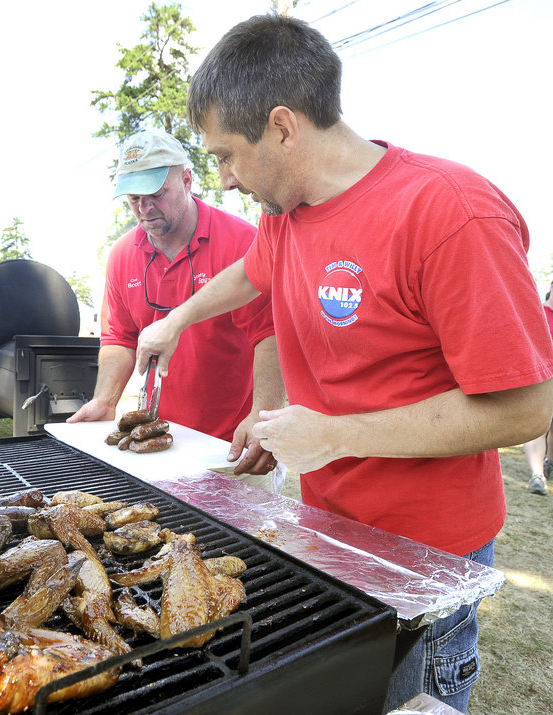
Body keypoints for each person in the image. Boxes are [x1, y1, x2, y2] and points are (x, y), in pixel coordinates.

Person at [135, 14, 553, 714]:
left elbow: (526, 407)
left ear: (283, 128)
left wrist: (336, 434)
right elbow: (251, 275)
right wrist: (176, 320)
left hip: (427, 560)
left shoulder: (449, 212)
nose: (226, 181)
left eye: (227, 155)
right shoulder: (286, 210)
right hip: (329, 531)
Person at [67, 128, 285, 477]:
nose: (145, 209)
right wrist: (105, 401)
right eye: (134, 199)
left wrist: (261, 413)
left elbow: (270, 334)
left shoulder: (241, 241)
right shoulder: (123, 255)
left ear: (187, 180)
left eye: (156, 194)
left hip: (230, 445)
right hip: (159, 442)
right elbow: (119, 338)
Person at [524, 281, 553, 495]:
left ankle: (548, 462)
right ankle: (538, 475)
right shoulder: (537, 312)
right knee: (537, 426)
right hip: (540, 379)